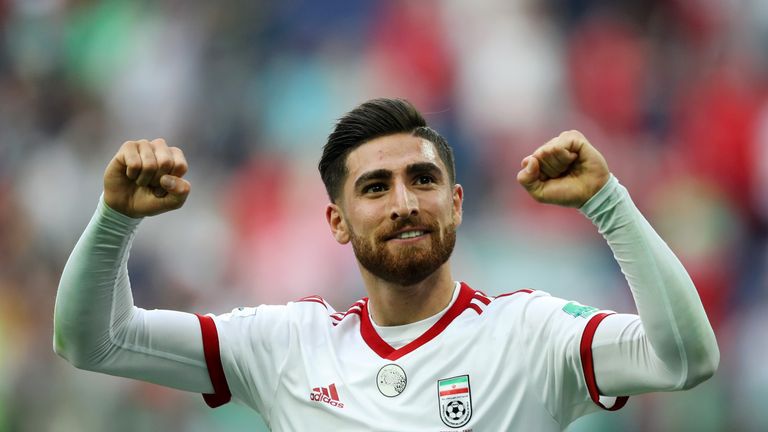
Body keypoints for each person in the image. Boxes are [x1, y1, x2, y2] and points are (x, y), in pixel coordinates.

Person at [54, 98, 719, 431]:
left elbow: (688, 359)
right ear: (336, 221)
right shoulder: (286, 345)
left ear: (455, 204)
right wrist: (116, 219)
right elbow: (93, 341)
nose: (404, 203)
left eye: (422, 180)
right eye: (375, 188)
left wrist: (608, 203)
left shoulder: (533, 334)